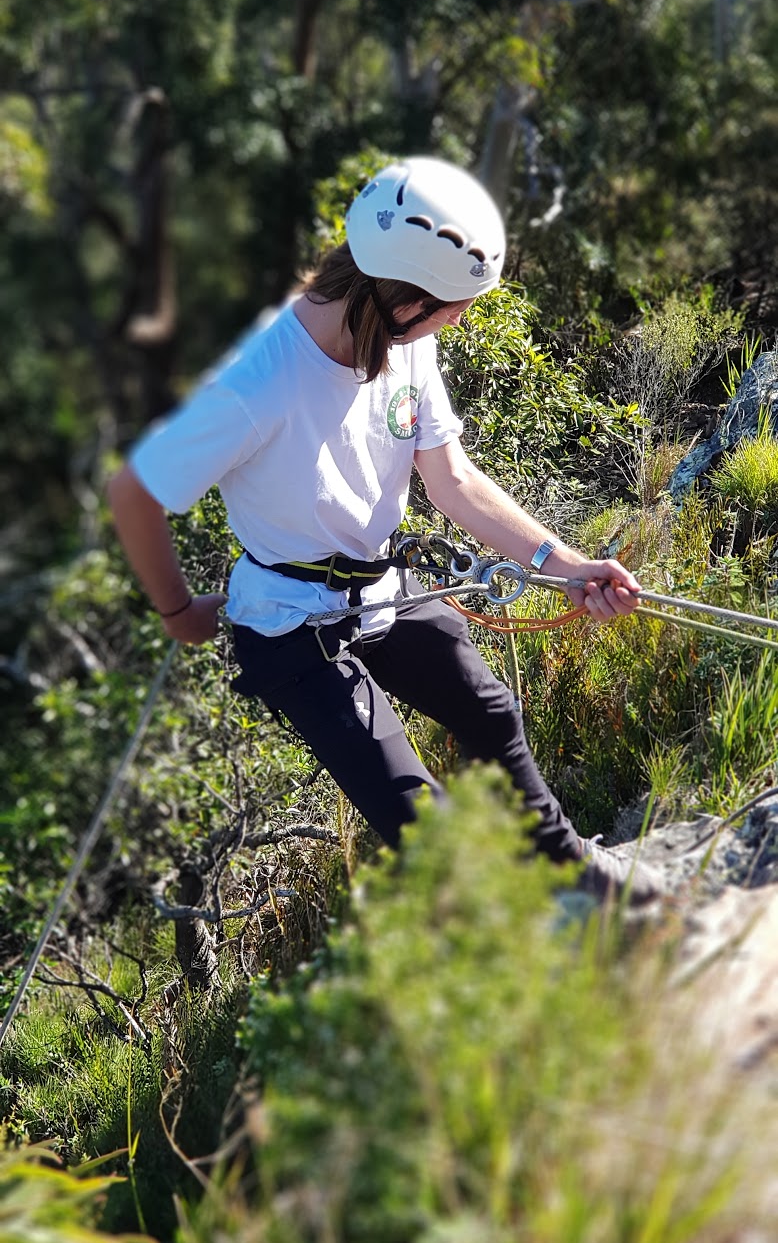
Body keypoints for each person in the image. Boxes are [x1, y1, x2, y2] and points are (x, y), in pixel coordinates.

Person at [107, 157, 660, 903]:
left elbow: (453, 480)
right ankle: (517, 945)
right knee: (415, 811)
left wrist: (568, 565)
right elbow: (133, 490)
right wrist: (178, 614)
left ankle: (569, 867)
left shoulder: (404, 341)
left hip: (382, 588)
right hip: (290, 622)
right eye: (450, 305)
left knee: (490, 712)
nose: (459, 319)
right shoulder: (256, 381)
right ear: (400, 297)